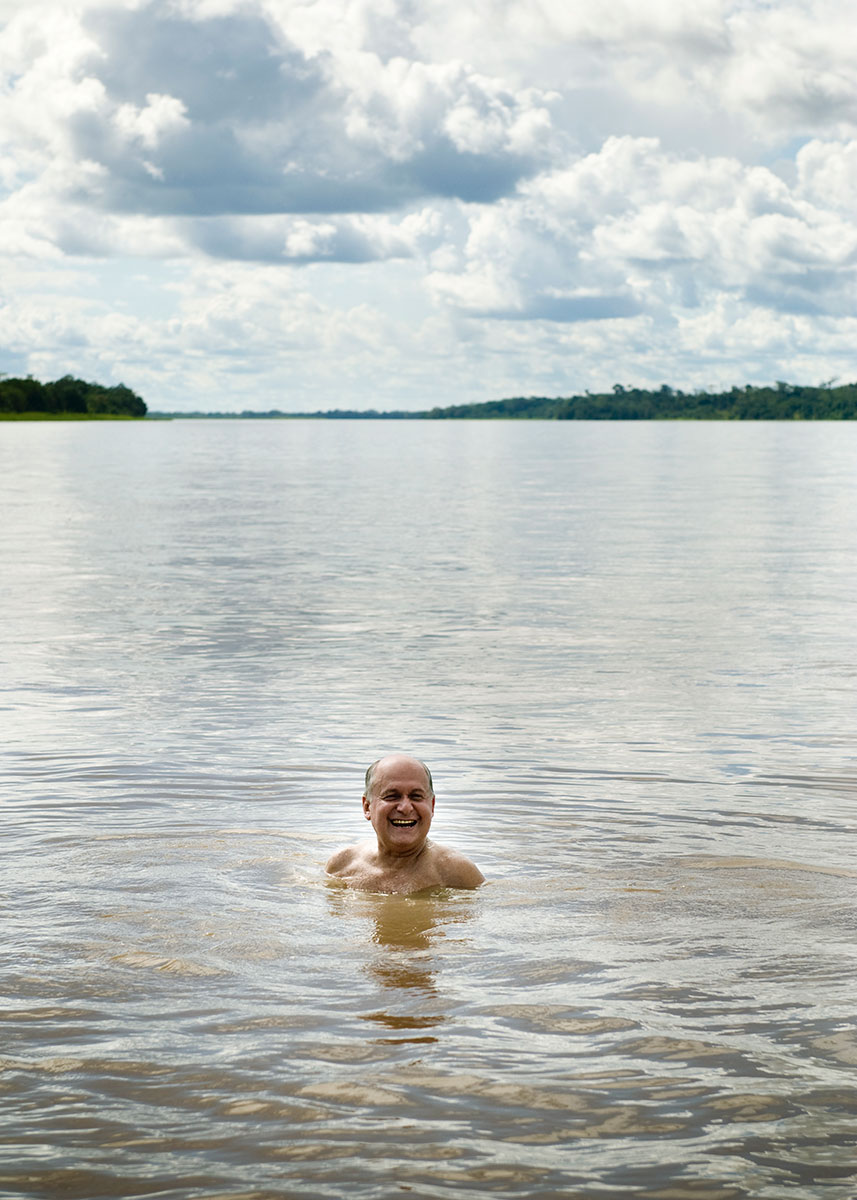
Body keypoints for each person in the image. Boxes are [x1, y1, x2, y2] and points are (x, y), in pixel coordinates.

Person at [325, 753, 484, 894]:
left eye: (416, 796)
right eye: (392, 796)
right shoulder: (342, 865)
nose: (406, 808)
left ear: (432, 805)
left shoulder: (457, 873)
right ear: (367, 807)